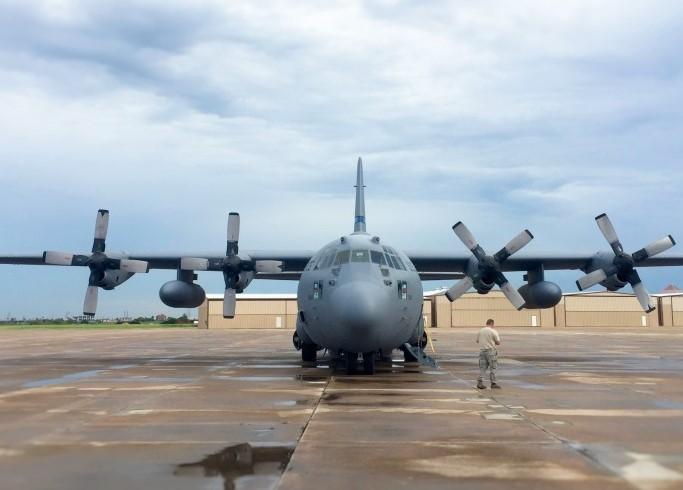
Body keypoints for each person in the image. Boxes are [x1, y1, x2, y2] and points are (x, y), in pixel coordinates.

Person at [476, 318, 501, 389]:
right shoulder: (493, 331)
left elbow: (477, 341)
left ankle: (480, 382)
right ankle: (493, 383)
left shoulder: (481, 331)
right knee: (493, 367)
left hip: (482, 351)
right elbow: (498, 342)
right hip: (491, 351)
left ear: (486, 323)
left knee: (483, 368)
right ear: (492, 324)